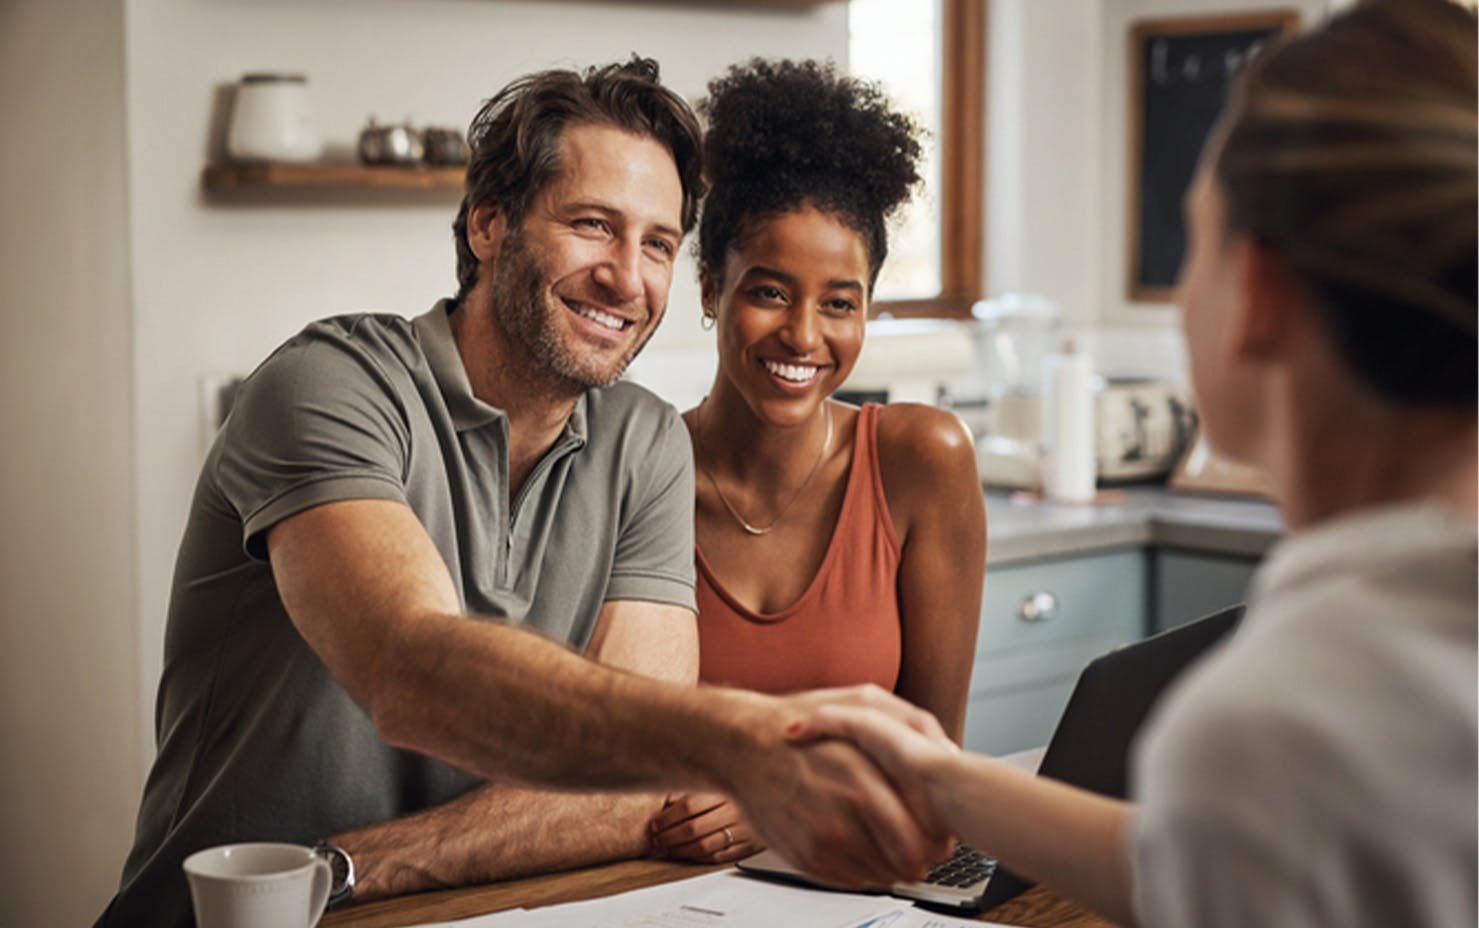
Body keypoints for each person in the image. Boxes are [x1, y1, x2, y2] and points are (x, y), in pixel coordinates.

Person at [97, 57, 947, 928]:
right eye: (591, 225)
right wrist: (735, 740)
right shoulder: (326, 386)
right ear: (488, 225)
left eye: (656, 242)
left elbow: (635, 782)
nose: (626, 276)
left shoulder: (645, 443)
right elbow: (411, 670)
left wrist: (353, 866)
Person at [794, 2, 1478, 926]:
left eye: (1194, 244)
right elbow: (1209, 858)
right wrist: (942, 784)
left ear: (1259, 297)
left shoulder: (1278, 723)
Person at [646, 59, 986, 865]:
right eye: (768, 291)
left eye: (840, 302)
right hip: (663, 887)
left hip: (869, 881)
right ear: (708, 287)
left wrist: (772, 802)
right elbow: (599, 749)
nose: (804, 336)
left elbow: (933, 769)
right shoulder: (639, 470)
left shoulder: (920, 461)